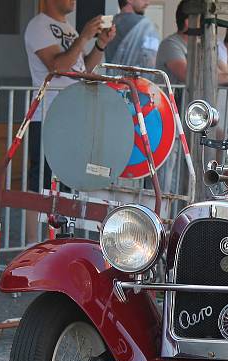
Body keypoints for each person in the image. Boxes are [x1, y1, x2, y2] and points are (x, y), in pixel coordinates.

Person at [23, 0, 115, 242]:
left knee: (65, 184)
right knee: (41, 185)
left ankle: (57, 243)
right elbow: (58, 66)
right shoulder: (38, 26)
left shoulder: (69, 29)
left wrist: (100, 44)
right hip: (47, 116)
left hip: (70, 116)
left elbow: (82, 67)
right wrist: (84, 37)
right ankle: (36, 246)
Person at [106, 0, 160, 68]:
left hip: (109, 77)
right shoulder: (146, 26)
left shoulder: (109, 25)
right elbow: (151, 62)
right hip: (137, 78)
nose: (147, 3)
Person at [156, 1, 188, 85]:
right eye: (202, 20)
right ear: (188, 22)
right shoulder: (170, 44)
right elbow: (185, 75)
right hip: (172, 98)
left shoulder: (202, 47)